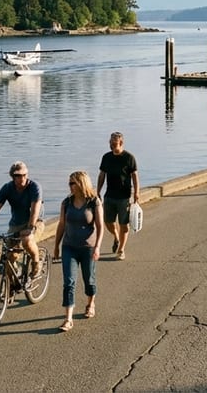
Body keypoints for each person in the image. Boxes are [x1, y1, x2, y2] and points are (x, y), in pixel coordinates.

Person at [53, 170, 103, 332]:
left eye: (72, 183)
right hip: (69, 247)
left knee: (89, 279)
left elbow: (101, 227)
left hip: (88, 248)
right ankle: (68, 319)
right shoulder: (66, 203)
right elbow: (61, 225)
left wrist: (97, 247)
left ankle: (90, 303)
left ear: (82, 183)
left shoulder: (93, 202)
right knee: (69, 282)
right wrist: (56, 247)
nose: (70, 186)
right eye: (69, 183)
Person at [0, 161, 44, 277]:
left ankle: (36, 263)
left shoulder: (34, 187)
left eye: (24, 175)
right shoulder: (7, 188)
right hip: (16, 224)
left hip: (35, 222)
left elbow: (35, 209)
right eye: (18, 176)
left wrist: (30, 228)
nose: (22, 178)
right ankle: (13, 283)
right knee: (10, 255)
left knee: (27, 241)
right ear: (12, 177)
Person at [96, 131, 139, 260]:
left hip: (124, 197)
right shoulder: (106, 157)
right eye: (110, 142)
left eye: (114, 143)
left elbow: (135, 176)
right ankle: (116, 236)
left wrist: (136, 192)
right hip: (109, 195)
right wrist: (98, 190)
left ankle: (121, 250)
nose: (112, 145)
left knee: (123, 224)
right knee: (108, 221)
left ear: (121, 143)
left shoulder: (129, 158)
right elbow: (102, 174)